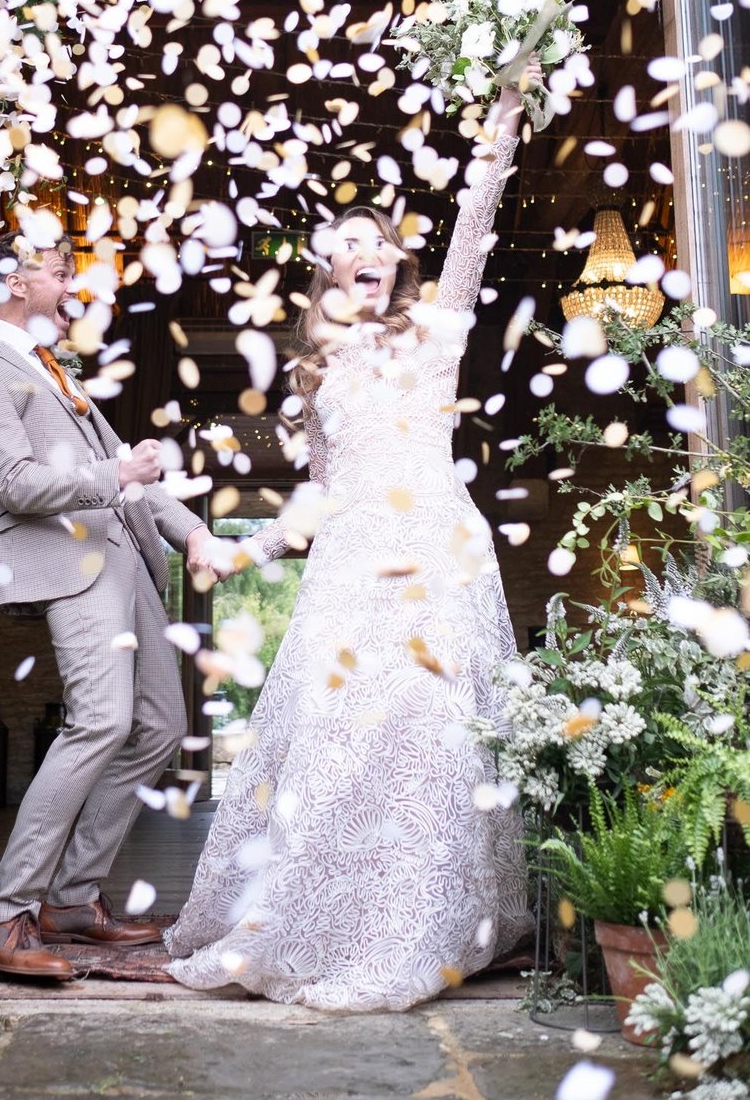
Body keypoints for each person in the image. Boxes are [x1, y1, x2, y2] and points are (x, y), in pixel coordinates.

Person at [164, 72, 540, 1011]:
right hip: (350, 562)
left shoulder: (437, 333)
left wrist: (502, 118)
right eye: (348, 243)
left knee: (427, 732)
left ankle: (420, 923)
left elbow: (473, 227)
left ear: (396, 263)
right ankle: (318, 918)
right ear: (326, 271)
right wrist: (241, 553)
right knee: (330, 736)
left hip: (435, 551)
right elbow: (320, 499)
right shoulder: (315, 371)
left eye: (380, 240)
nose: (367, 251)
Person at [0, 229, 227, 980]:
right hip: (74, 566)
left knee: (160, 727)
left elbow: (127, 475)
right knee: (101, 720)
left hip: (130, 562)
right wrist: (115, 473)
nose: (76, 288)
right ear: (14, 281)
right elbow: (15, 484)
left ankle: (72, 898)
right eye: (63, 274)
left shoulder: (54, 370)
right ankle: (5, 915)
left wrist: (193, 532)